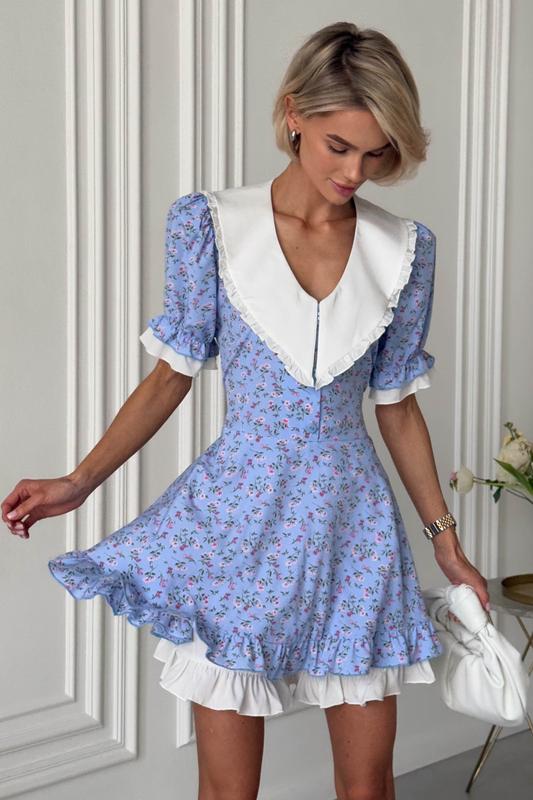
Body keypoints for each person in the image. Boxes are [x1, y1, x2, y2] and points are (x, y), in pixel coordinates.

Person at [2, 20, 489, 800]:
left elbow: (395, 406)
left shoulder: (405, 249)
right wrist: (79, 481)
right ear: (293, 113)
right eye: (338, 146)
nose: (354, 172)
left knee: (368, 786)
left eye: (374, 154)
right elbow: (170, 376)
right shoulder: (209, 226)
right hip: (236, 526)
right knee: (229, 791)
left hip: (353, 530)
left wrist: (446, 544)